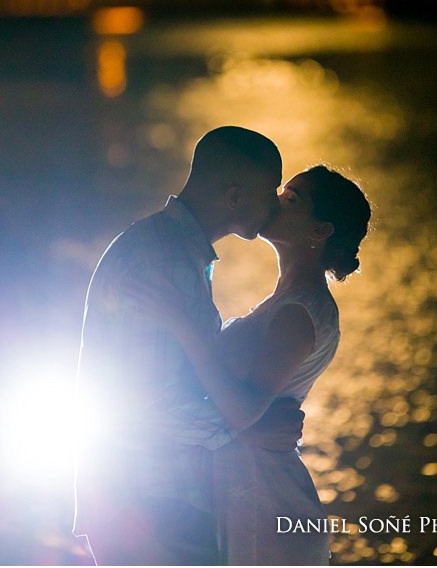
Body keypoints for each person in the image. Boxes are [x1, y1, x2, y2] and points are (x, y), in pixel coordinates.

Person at [73, 126, 304, 566]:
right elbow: (147, 401)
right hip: (148, 501)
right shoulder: (167, 262)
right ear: (234, 197)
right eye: (269, 191)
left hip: (142, 495)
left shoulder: (168, 249)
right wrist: (248, 430)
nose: (275, 205)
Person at [146, 163, 371, 565]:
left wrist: (181, 322)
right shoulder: (287, 302)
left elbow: (242, 410)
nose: (274, 202)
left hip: (262, 498)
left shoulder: (300, 313)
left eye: (291, 199)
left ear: (320, 230)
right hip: (240, 481)